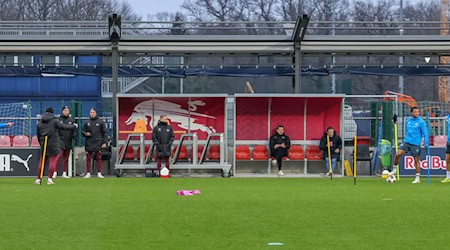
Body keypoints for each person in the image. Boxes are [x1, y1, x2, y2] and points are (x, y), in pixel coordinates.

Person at [34, 107, 77, 185]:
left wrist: (41, 144)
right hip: (53, 144)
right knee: (52, 161)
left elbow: (38, 135)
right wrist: (74, 126)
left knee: (42, 162)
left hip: (44, 143)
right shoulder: (55, 121)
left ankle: (38, 179)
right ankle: (49, 179)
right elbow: (64, 127)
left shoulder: (40, 122)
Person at [391, 107, 429, 184]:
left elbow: (425, 132)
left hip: (416, 143)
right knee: (398, 154)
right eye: (415, 112)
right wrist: (394, 122)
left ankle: (417, 178)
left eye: (418, 112)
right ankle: (394, 169)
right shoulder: (408, 121)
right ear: (412, 113)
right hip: (407, 142)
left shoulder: (421, 122)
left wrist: (426, 142)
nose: (417, 113)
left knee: (416, 160)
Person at [82, 108, 108, 178]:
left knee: (99, 157)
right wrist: (85, 134)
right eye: (91, 112)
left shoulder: (100, 122)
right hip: (89, 142)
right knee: (88, 158)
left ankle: (99, 173)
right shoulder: (87, 122)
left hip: (98, 142)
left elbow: (104, 133)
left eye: (93, 112)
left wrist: (105, 142)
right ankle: (88, 173)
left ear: (96, 113)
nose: (92, 113)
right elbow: (82, 132)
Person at [53, 106, 77, 179]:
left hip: (68, 141)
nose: (66, 112)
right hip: (60, 140)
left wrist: (74, 136)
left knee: (66, 158)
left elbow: (74, 131)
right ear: (62, 111)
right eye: (65, 110)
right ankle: (54, 172)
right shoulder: (58, 119)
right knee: (58, 156)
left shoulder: (71, 120)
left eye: (67, 110)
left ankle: (64, 173)